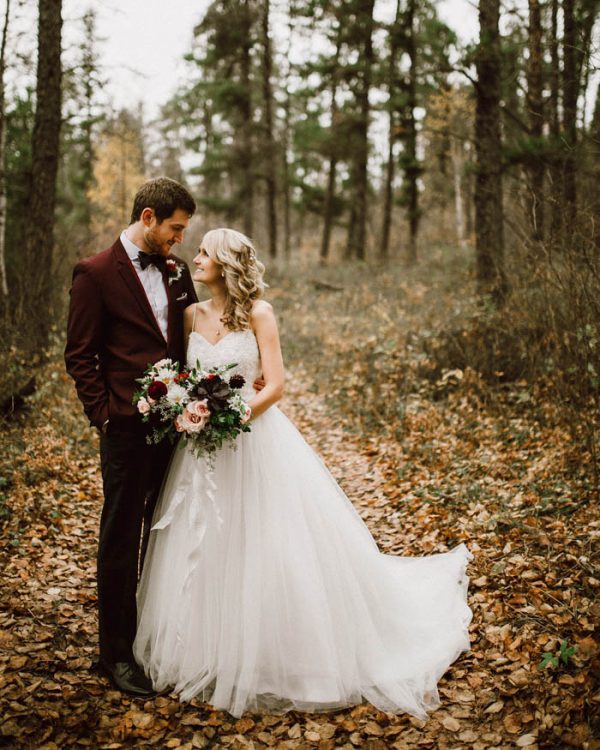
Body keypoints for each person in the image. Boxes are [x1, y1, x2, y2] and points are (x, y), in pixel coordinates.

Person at [133, 228, 473, 719]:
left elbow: (276, 384)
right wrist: (189, 410)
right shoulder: (189, 316)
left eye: (205, 251)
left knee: (265, 540)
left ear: (227, 263)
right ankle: (203, 651)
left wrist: (235, 416)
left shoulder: (259, 314)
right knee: (203, 541)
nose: (197, 258)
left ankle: (275, 652)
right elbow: (183, 378)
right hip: (200, 451)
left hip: (251, 440)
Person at [64, 177, 199, 696]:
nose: (179, 239)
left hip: (179, 428)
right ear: (148, 218)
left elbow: (188, 337)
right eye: (175, 228)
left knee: (165, 530)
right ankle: (116, 654)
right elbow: (80, 355)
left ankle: (156, 639)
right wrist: (104, 416)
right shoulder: (95, 274)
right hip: (124, 427)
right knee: (120, 536)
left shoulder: (177, 270)